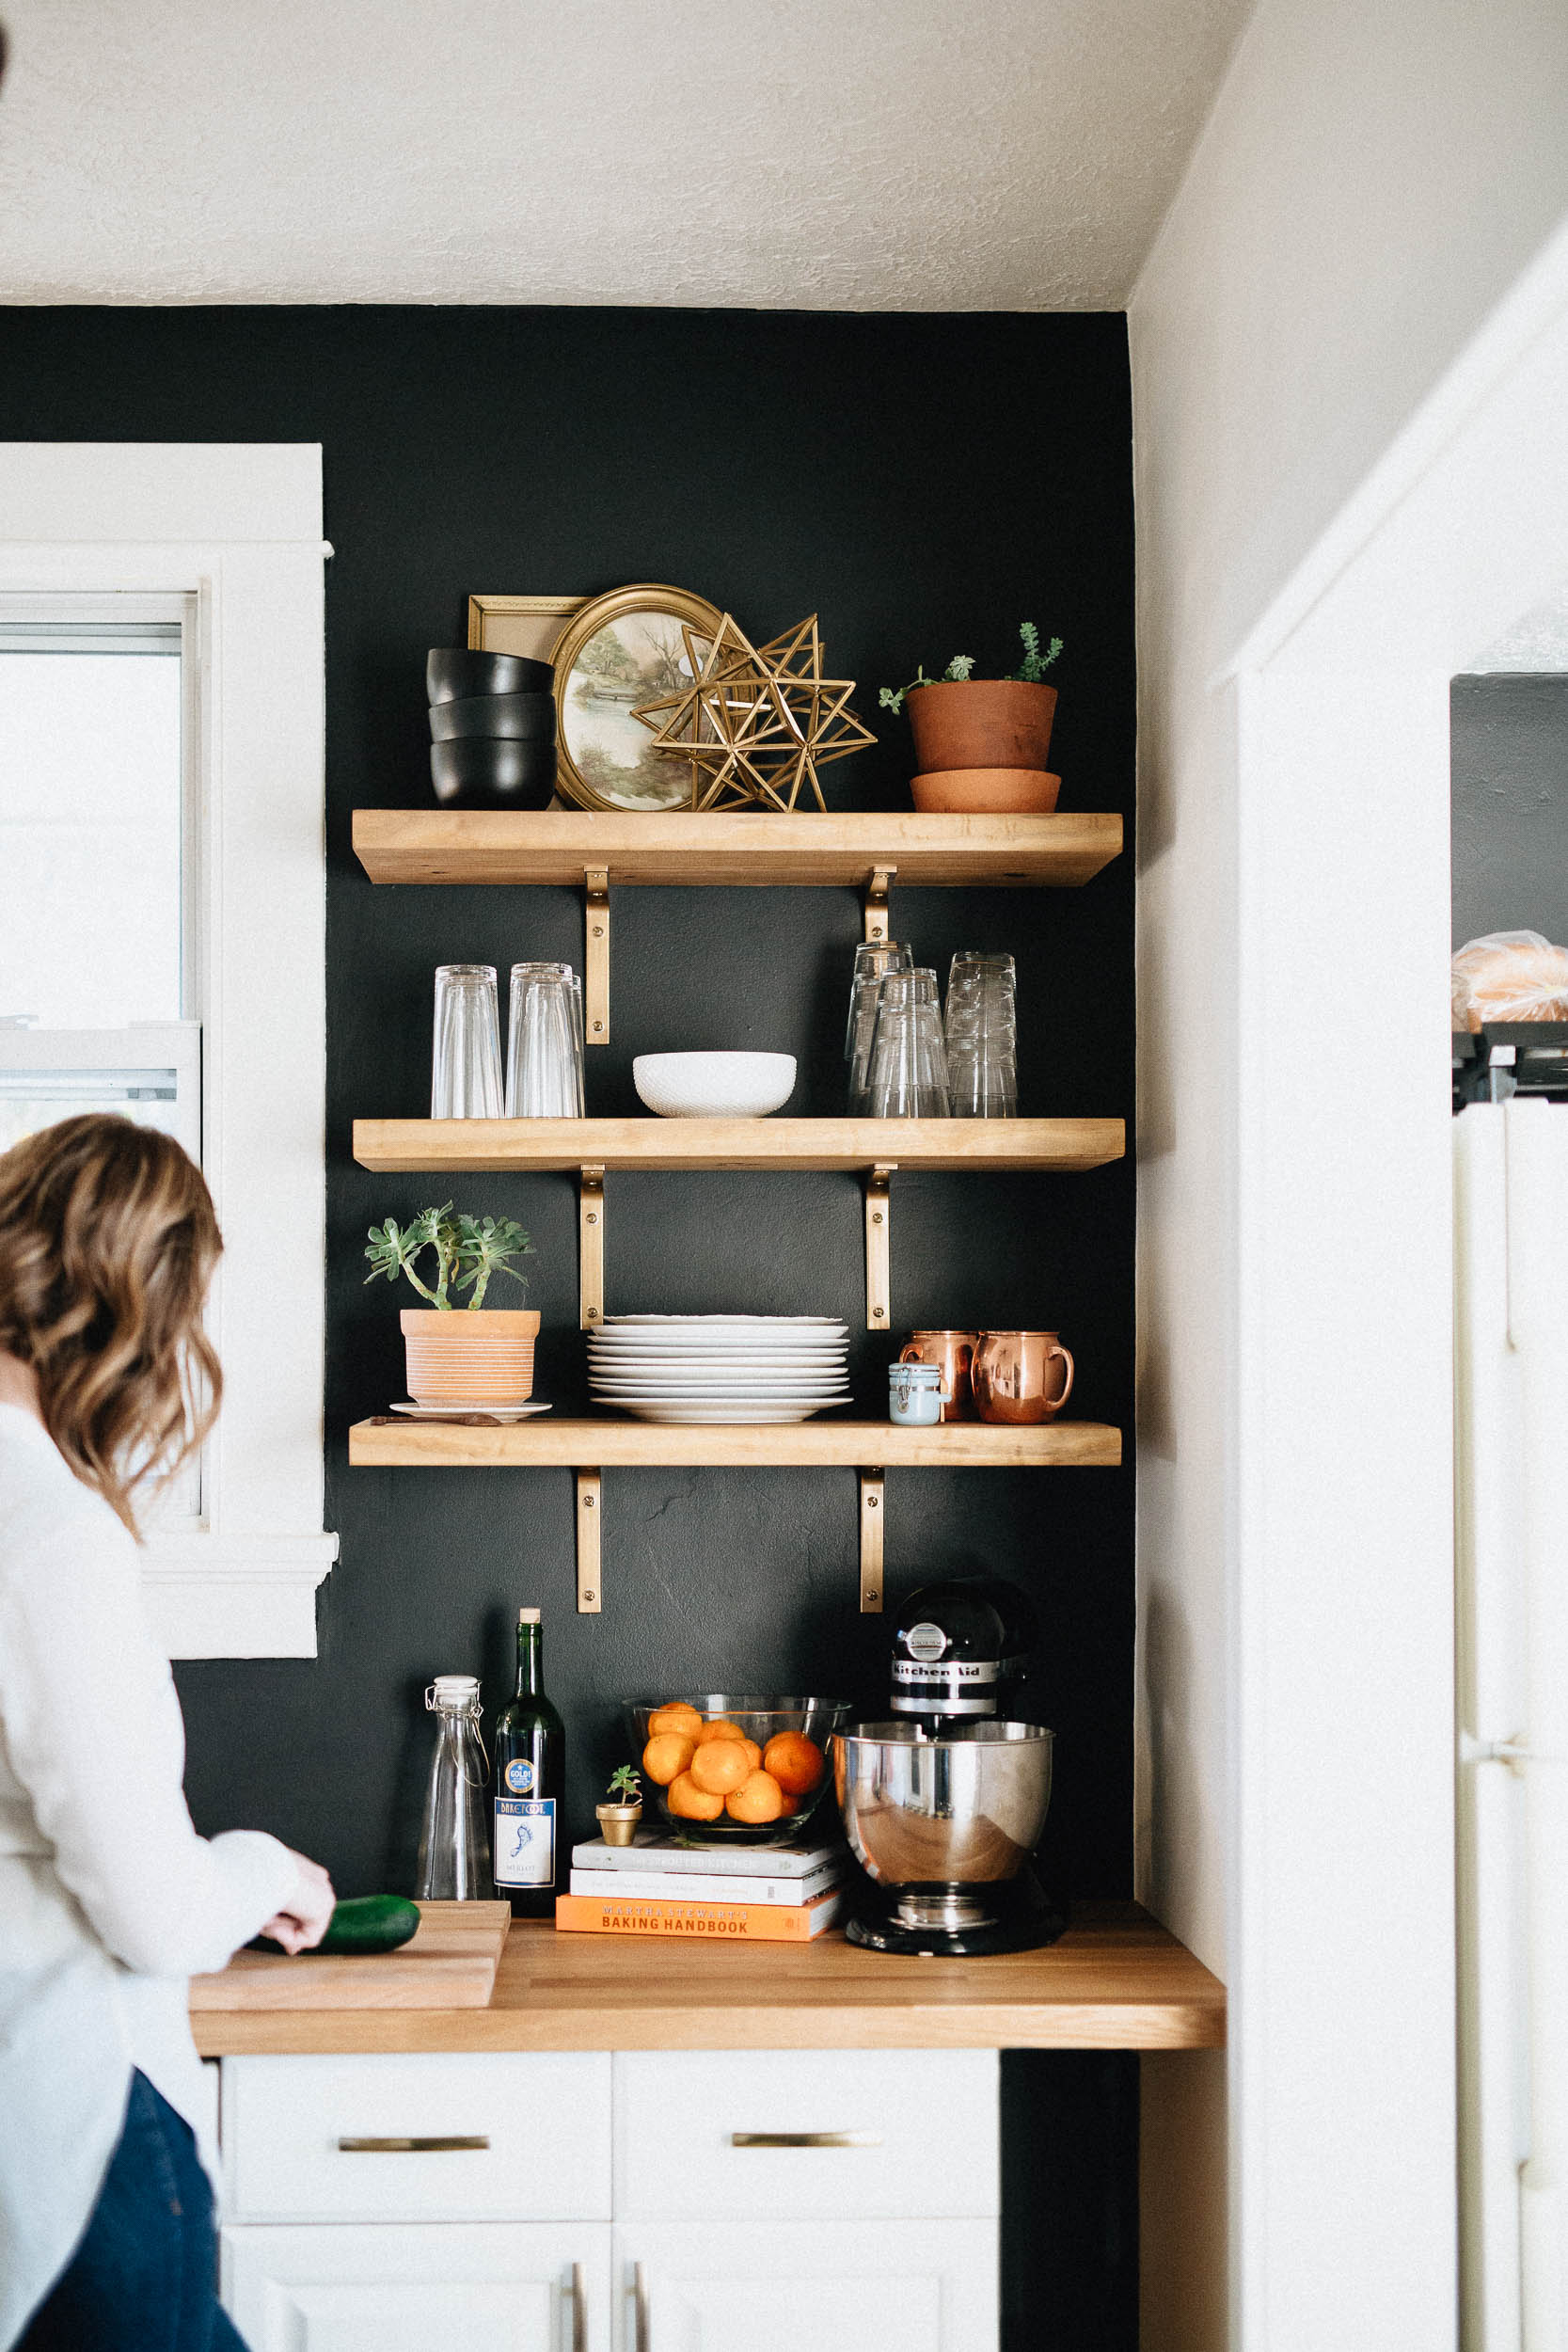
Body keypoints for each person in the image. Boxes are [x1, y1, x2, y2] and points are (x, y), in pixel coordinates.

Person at [0, 1116, 336, 2351]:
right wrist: (260, 1871)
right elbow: (147, 1910)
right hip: (74, 2122)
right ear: (138, 1303)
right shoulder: (50, 1534)